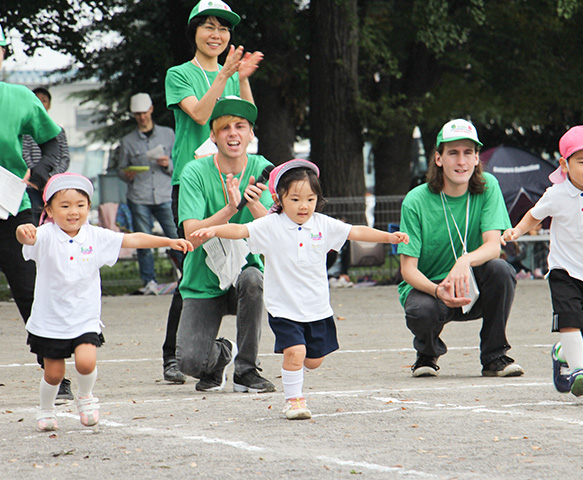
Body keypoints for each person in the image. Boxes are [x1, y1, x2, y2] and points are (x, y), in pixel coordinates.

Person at [191, 159, 409, 419]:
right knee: (295, 352)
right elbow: (240, 230)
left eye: (310, 198)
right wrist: (213, 229)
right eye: (295, 199)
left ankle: (300, 371)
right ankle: (294, 400)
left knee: (313, 361)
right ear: (279, 198)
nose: (303, 205)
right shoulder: (270, 225)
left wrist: (388, 237)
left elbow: (355, 231)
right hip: (284, 307)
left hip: (317, 308)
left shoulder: (322, 224)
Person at [15, 173, 193, 432]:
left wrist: (168, 241)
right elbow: (25, 239)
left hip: (84, 316)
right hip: (50, 319)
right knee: (53, 374)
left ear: (89, 207)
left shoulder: (96, 236)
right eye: (64, 206)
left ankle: (86, 398)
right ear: (50, 210)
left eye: (80, 205)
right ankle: (46, 409)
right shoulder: (44, 235)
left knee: (86, 362)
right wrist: (23, 230)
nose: (73, 211)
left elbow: (132, 239)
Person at [161, 0, 263, 384]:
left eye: (223, 29)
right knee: (191, 264)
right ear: (195, 32)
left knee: (244, 264)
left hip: (234, 177)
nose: (217, 35)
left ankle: (234, 358)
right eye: (209, 27)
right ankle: (176, 355)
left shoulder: (232, 76)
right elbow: (202, 115)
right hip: (194, 182)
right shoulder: (180, 74)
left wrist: (243, 79)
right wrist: (225, 77)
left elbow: (247, 117)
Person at [501, 126, 583, 396]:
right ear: (565, 163)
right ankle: (578, 371)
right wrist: (517, 231)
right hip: (564, 270)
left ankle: (562, 353)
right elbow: (535, 215)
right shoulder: (556, 193)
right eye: (582, 162)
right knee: (570, 318)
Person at [398, 119, 524, 378]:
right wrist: (437, 290)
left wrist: (464, 261)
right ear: (439, 158)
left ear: (477, 158)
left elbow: (492, 247)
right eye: (453, 153)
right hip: (431, 289)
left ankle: (494, 356)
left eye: (468, 153)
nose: (461, 161)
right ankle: (427, 353)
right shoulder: (416, 200)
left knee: (501, 270)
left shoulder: (488, 187)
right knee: (422, 311)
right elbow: (408, 270)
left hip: (472, 287)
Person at [176, 96, 276, 394]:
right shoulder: (194, 172)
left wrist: (255, 204)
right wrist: (230, 208)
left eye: (240, 126)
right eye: (225, 128)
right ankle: (222, 355)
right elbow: (191, 235)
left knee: (253, 278)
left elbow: (273, 231)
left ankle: (246, 370)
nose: (233, 133)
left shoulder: (264, 168)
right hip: (203, 280)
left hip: (244, 276)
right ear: (213, 136)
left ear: (250, 134)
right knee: (189, 363)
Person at [0, 25, 76, 403]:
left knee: (32, 293)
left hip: (14, 208)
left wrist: (43, 174)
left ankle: (55, 373)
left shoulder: (18, 98)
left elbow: (53, 139)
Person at [117, 93, 182, 296]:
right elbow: (120, 169)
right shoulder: (127, 141)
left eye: (144, 113)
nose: (142, 117)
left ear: (151, 110)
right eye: (137, 114)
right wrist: (127, 174)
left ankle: (187, 276)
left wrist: (168, 164)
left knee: (175, 237)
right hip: (139, 196)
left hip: (164, 194)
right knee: (142, 241)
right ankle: (149, 282)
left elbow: (180, 163)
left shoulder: (168, 134)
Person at [22, 86, 71, 224]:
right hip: (31, 185)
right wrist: (36, 174)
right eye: (37, 99)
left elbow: (64, 157)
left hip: (54, 185)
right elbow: (24, 154)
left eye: (44, 100)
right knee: (33, 220)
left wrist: (52, 177)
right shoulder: (25, 130)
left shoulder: (58, 130)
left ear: (49, 104)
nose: (41, 103)